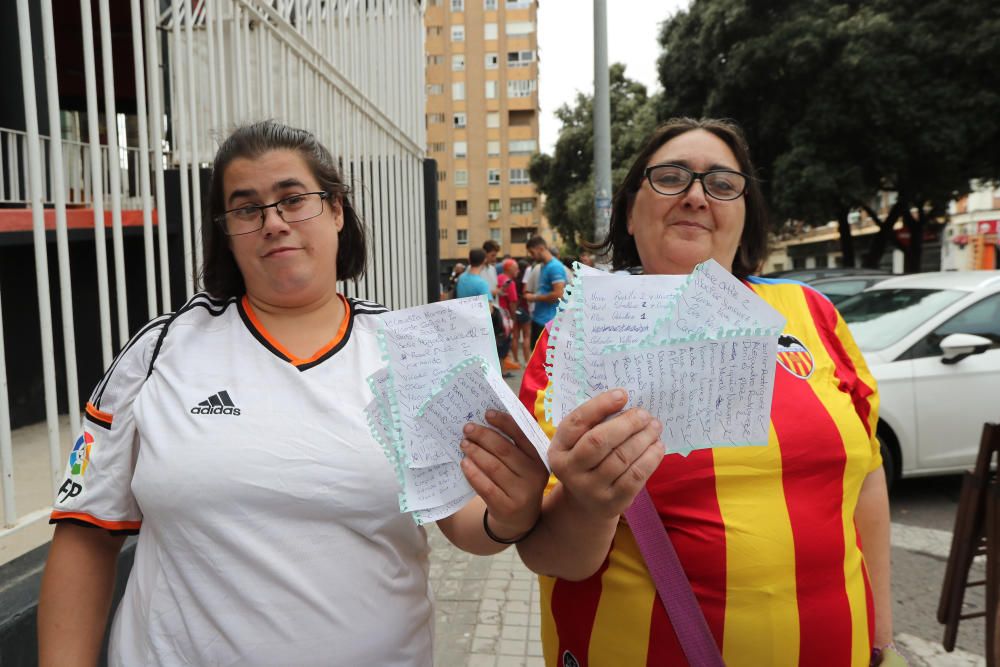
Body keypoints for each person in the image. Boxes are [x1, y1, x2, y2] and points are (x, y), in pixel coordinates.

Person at [37, 121, 548, 667]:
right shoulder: (158, 354)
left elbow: (463, 521)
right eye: (247, 208)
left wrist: (510, 516)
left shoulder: (410, 350)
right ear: (227, 232)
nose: (273, 223)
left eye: (293, 199)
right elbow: (86, 536)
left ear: (335, 210)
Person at [486, 118, 896, 665]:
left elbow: (866, 481)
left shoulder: (813, 313)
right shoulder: (574, 337)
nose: (698, 197)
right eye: (671, 178)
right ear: (630, 212)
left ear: (744, 214)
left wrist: (883, 642)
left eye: (723, 184)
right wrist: (589, 503)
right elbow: (545, 551)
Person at [524, 236, 567, 347]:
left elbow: (559, 294)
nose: (532, 256)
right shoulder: (544, 266)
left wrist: (534, 297)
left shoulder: (555, 267)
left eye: (532, 252)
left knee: (545, 362)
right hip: (540, 320)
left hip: (548, 323)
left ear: (541, 248)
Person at [497, 258, 521, 371]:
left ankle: (501, 369)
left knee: (499, 343)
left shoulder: (499, 278)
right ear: (509, 269)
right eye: (516, 268)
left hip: (497, 314)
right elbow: (513, 302)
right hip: (505, 316)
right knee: (505, 344)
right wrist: (514, 318)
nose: (518, 271)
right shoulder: (510, 282)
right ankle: (502, 370)